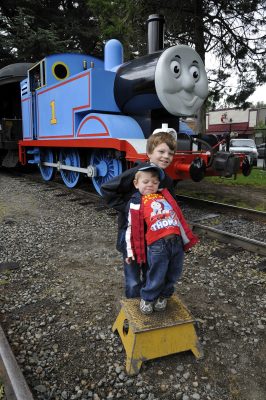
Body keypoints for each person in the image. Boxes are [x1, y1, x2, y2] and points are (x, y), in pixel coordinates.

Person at [101, 128, 178, 298]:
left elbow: (171, 206)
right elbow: (107, 189)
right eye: (161, 151)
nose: (166, 156)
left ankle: (147, 301)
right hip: (131, 235)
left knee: (152, 273)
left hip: (155, 237)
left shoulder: (167, 180)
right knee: (133, 277)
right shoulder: (137, 173)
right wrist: (129, 208)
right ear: (149, 152)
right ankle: (133, 308)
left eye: (170, 153)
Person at [124, 165, 198, 314]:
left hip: (176, 242)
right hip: (157, 244)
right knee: (157, 274)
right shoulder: (136, 202)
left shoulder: (165, 196)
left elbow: (178, 217)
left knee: (174, 273)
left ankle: (163, 296)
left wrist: (186, 240)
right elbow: (131, 230)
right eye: (145, 182)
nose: (150, 184)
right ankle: (148, 298)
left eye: (154, 182)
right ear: (136, 183)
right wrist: (130, 252)